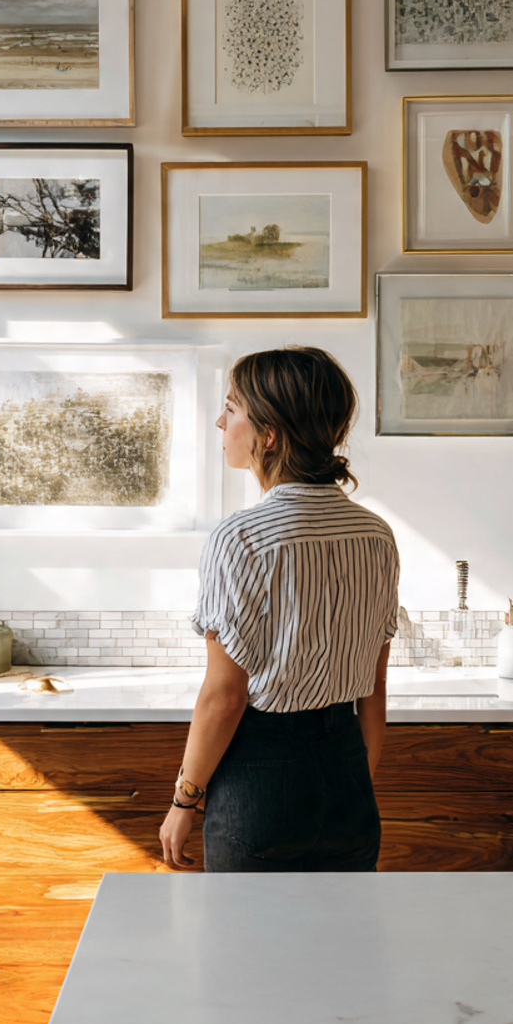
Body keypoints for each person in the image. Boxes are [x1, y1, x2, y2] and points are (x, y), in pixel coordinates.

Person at [159, 347, 399, 873]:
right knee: (343, 947)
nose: (220, 421)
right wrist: (355, 779)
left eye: (232, 409)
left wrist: (184, 800)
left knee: (246, 951)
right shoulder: (376, 536)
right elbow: (373, 687)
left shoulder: (241, 538)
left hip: (260, 780)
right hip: (348, 777)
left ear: (269, 435)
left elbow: (225, 697)